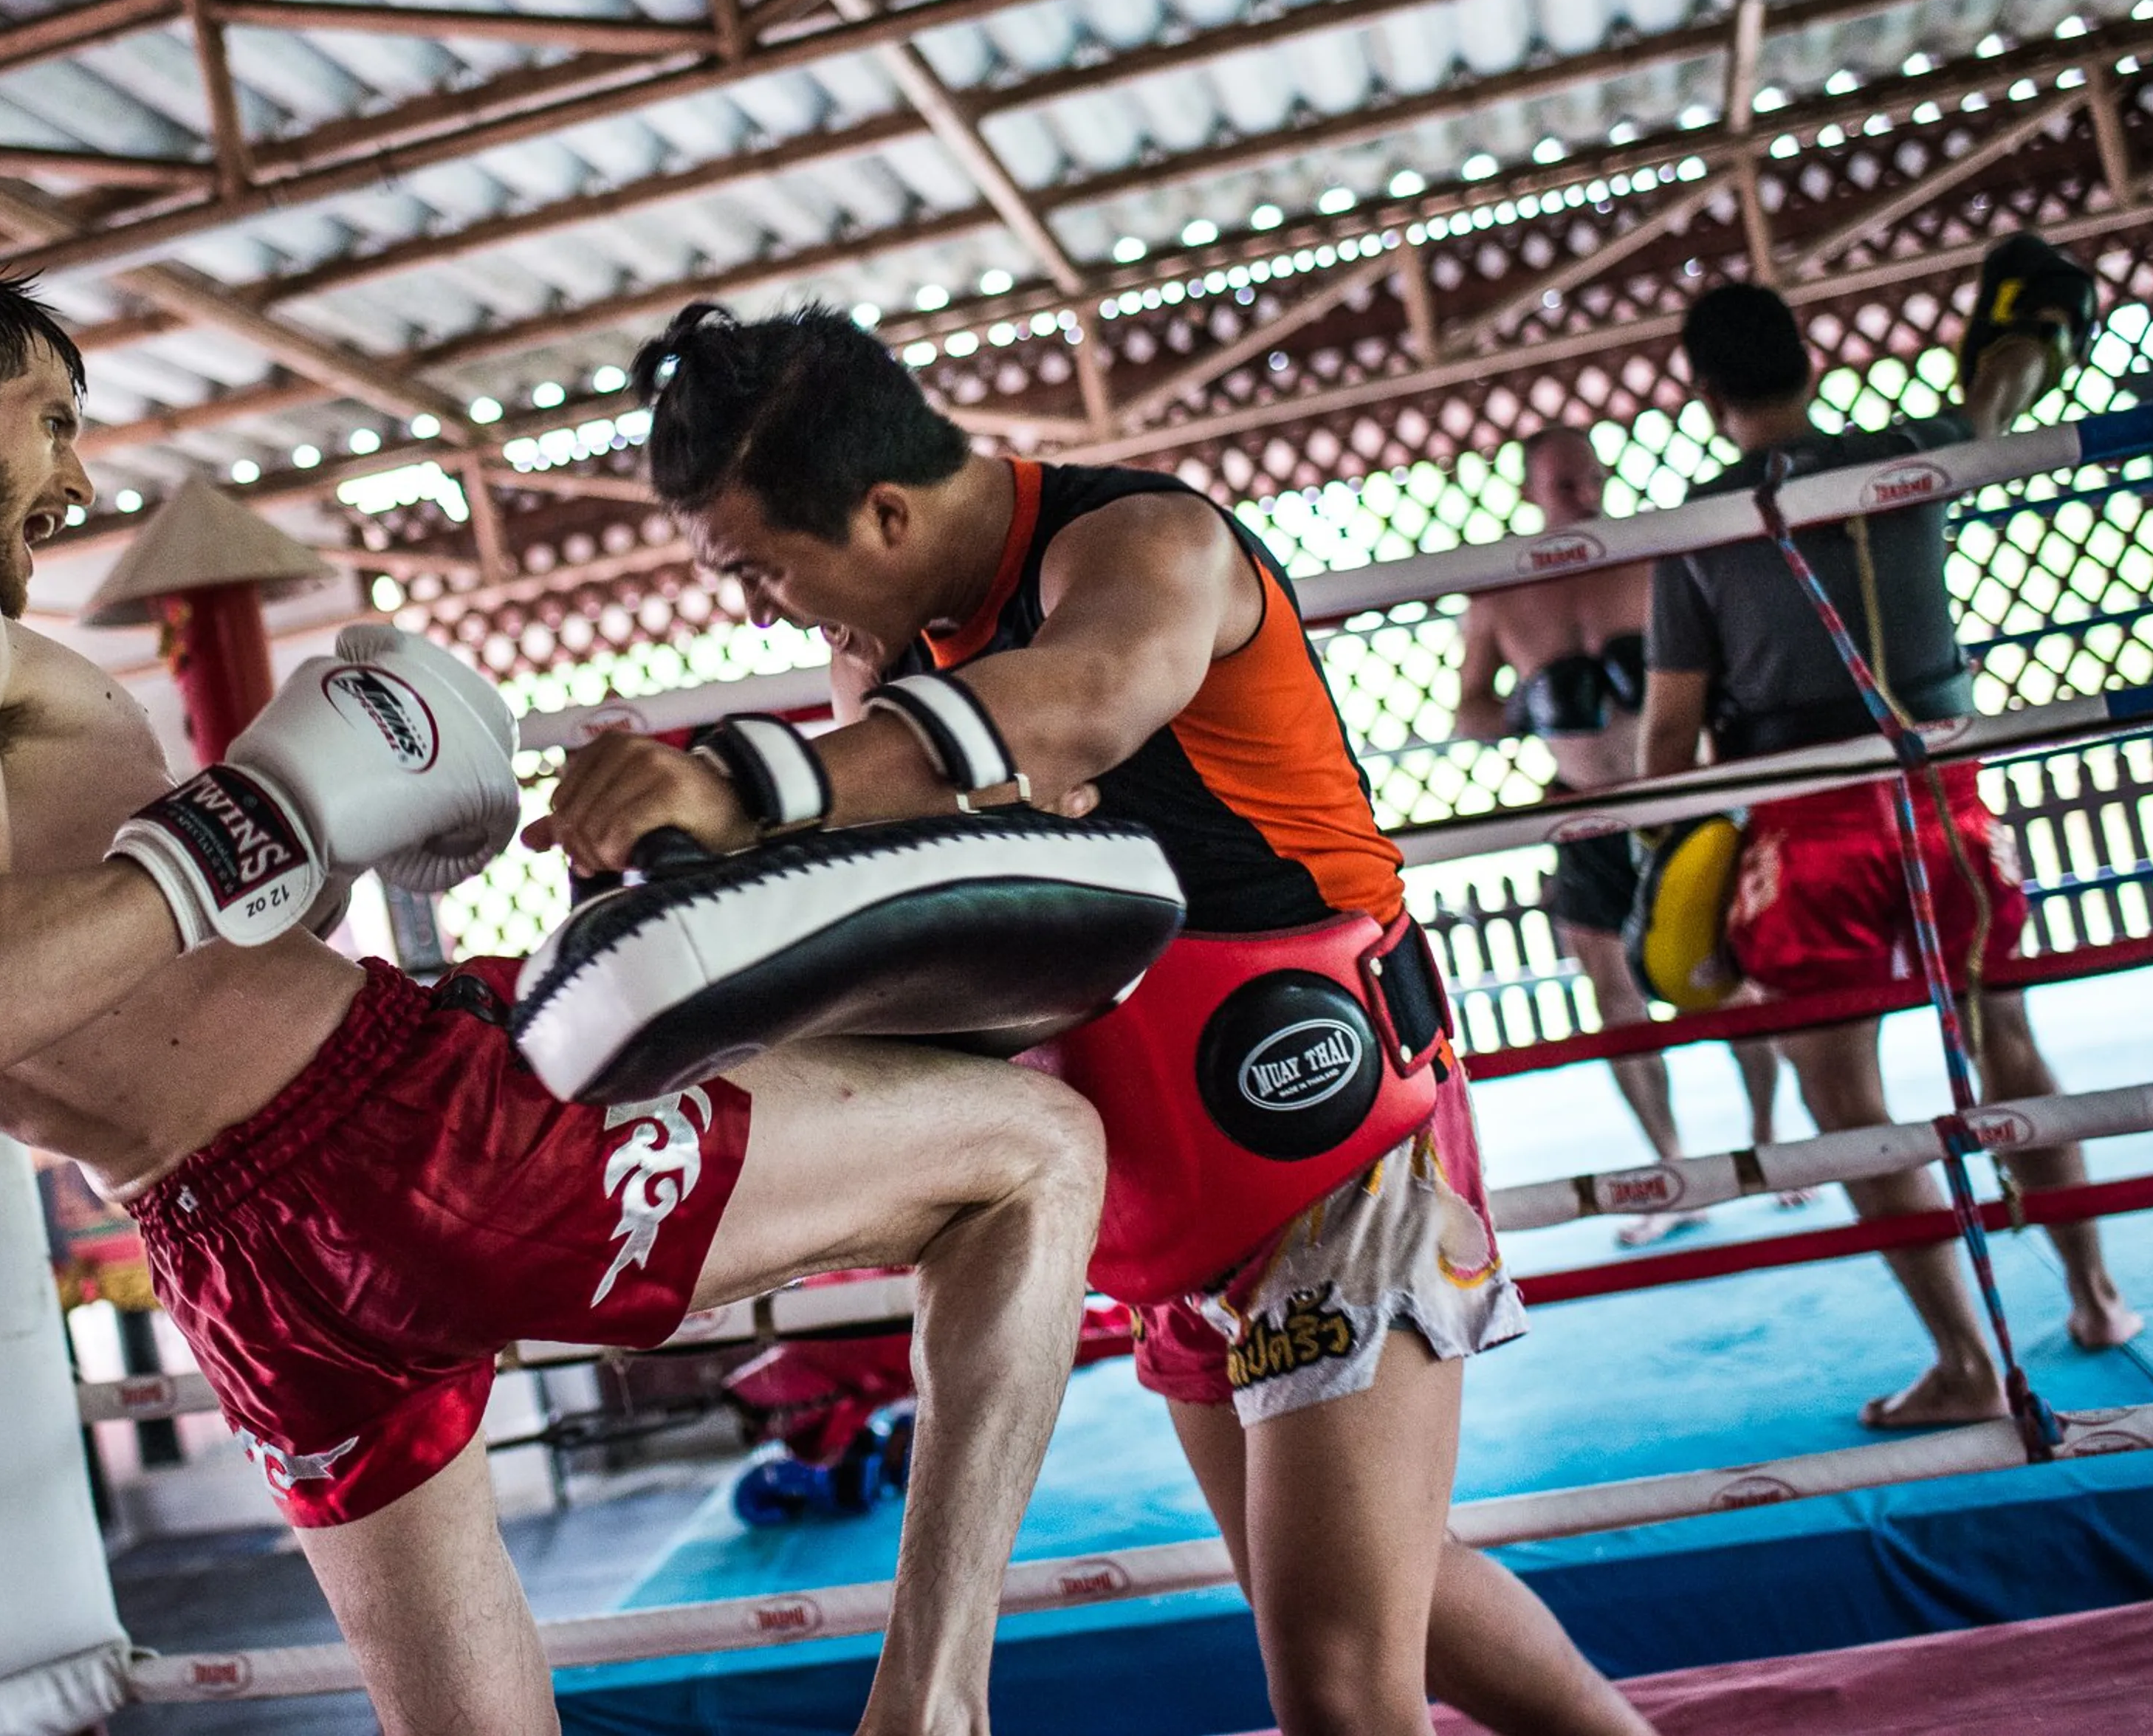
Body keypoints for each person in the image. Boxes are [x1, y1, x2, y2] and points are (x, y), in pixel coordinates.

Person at [0, 259, 1116, 1736]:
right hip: (397, 1139)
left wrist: (321, 838)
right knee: (1040, 1150)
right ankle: (933, 1710)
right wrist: (245, 820)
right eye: (52, 419)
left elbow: (62, 982)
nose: (73, 475)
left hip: (228, 1251)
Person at [535, 303, 1651, 1736]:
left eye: (762, 569)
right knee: (1386, 1600)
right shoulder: (887, 670)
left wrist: (743, 786)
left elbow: (1080, 702)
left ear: (883, 511)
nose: (760, 610)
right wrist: (654, 863)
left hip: (1334, 1149)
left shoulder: (1145, 545)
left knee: (1338, 1689)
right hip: (1162, 1210)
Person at [1639, 274, 2143, 1429]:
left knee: (1845, 1094)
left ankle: (1967, 1361)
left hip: (1810, 823)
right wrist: (2024, 337)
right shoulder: (1913, 453)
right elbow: (2000, 398)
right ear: (1810, 362)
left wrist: (1676, 862)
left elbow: (1667, 740)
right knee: (2007, 1040)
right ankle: (2098, 1295)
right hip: (1946, 799)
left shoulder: (1700, 529)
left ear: (1707, 392)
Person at [1457, 427, 1789, 1243]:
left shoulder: (1651, 560)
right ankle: (1673, 1171)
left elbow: (1727, 672)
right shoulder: (1499, 595)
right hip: (1580, 808)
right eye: (1564, 482)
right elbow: (1469, 715)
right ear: (1531, 488)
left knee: (1728, 975)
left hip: (1677, 796)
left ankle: (1771, 1146)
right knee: (1615, 999)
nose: (1581, 492)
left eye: (1590, 477)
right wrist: (1530, 707)